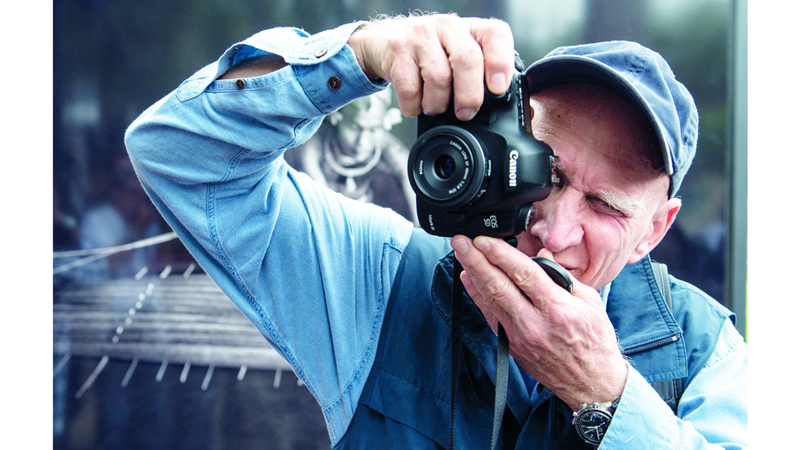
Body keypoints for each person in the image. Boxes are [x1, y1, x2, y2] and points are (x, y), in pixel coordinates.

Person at [125, 13, 747, 449]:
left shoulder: (705, 350)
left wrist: (603, 396)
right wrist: (360, 55)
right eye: (547, 173)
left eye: (606, 207)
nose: (556, 232)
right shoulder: (383, 278)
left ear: (654, 231)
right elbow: (178, 155)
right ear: (504, 148)